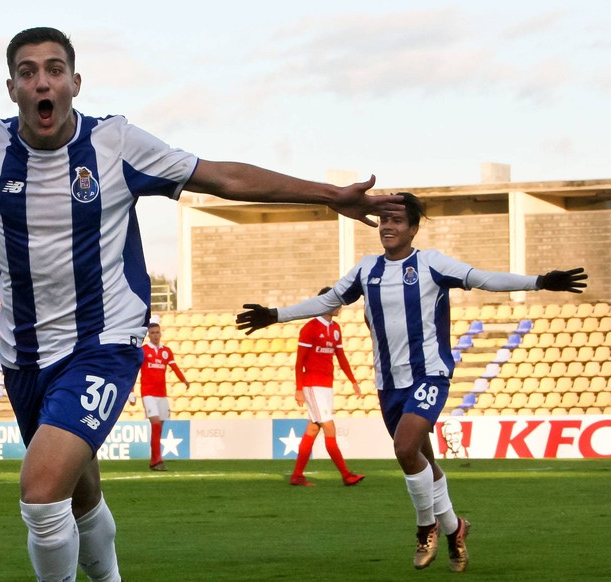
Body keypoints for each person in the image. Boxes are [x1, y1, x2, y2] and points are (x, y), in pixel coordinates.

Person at [0, 27, 404, 582]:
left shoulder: (116, 143)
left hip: (103, 344)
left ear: (75, 82)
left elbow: (222, 177)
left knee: (39, 488)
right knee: (78, 498)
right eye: (28, 72)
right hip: (22, 357)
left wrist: (328, 195)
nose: (42, 81)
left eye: (54, 69)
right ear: (12, 89)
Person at [236, 192, 587, 573]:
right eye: (384, 220)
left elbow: (483, 278)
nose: (388, 226)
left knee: (405, 450)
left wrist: (539, 281)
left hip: (429, 373)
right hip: (389, 382)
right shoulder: (366, 269)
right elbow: (329, 300)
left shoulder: (431, 263)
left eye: (398, 221)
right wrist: (275, 314)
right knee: (424, 461)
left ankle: (426, 527)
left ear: (413, 228)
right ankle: (456, 529)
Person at [289, 287, 365, 487]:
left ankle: (297, 475)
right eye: (337, 302)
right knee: (329, 427)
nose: (340, 306)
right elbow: (300, 362)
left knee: (313, 429)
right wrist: (299, 389)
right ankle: (346, 475)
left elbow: (340, 356)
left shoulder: (336, 329)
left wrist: (353, 380)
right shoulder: (310, 328)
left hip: (326, 386)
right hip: (313, 385)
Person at [132, 321, 188, 471]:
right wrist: (131, 391)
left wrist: (184, 380)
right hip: (148, 393)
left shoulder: (166, 351)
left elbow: (174, 367)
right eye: (153, 333)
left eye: (157, 332)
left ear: (160, 333)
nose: (155, 335)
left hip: (162, 395)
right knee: (155, 423)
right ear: (149, 335)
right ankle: (157, 460)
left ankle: (154, 460)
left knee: (159, 427)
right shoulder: (143, 351)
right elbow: (134, 371)